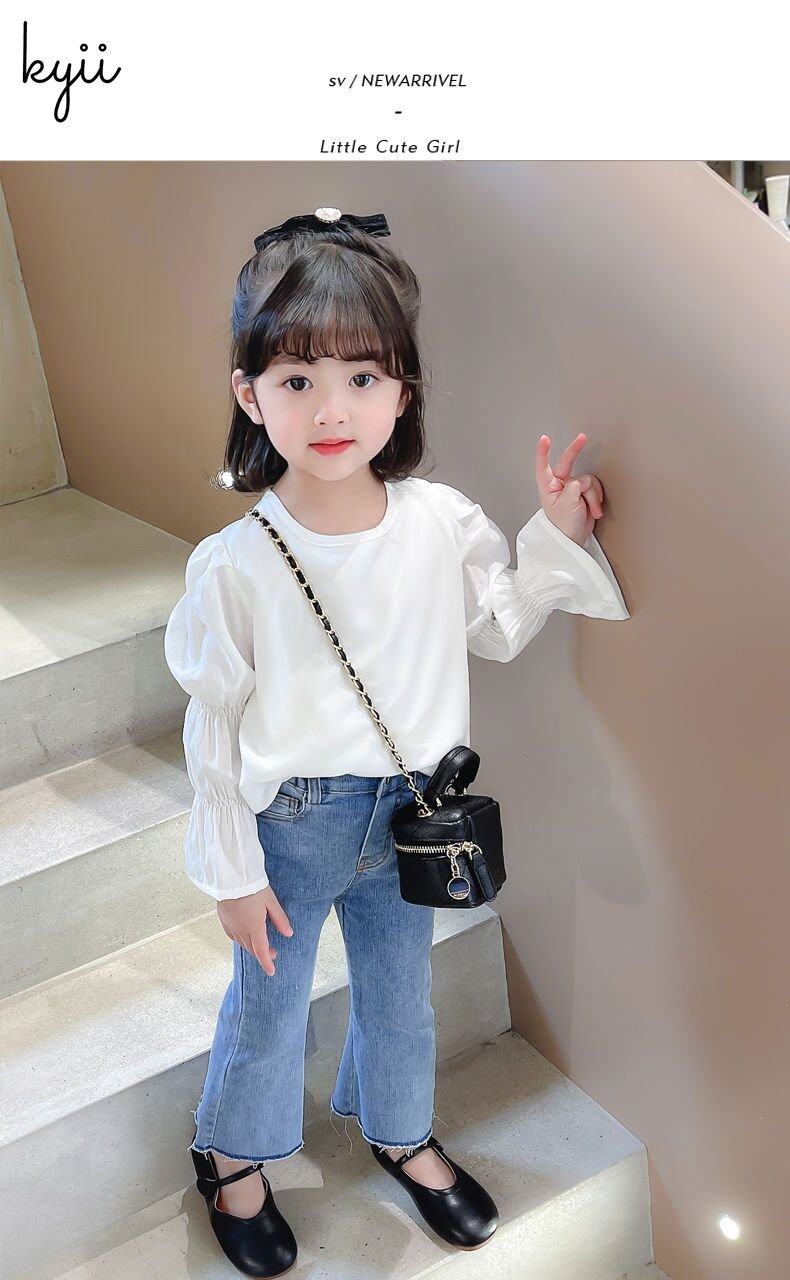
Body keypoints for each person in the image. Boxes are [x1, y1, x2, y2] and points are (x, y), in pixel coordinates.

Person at [163, 207, 630, 1276]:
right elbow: (214, 724)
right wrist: (231, 872)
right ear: (250, 395)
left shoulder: (440, 521)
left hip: (412, 812)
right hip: (293, 823)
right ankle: (231, 1155)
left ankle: (400, 1132)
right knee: (270, 1007)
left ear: (402, 390)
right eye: (297, 379)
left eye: (363, 376)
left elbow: (497, 628)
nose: (333, 408)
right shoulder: (234, 564)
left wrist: (555, 533)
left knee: (400, 996)